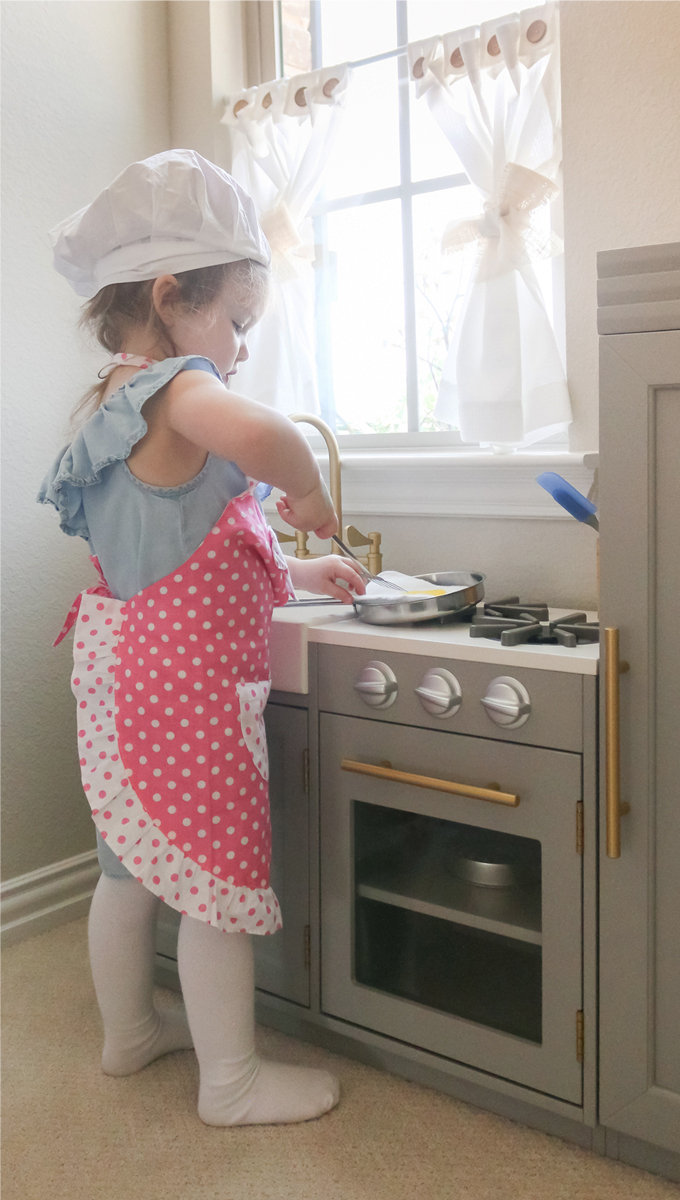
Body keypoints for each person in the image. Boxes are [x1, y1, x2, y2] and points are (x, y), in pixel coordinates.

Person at [38, 149, 365, 1126]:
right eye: (238, 321)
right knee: (217, 877)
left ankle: (129, 1034)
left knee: (126, 870)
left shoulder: (111, 400)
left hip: (121, 667)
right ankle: (230, 1082)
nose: (242, 347)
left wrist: (296, 571)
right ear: (172, 295)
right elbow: (267, 439)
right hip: (183, 687)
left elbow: (183, 544)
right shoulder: (178, 388)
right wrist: (306, 491)